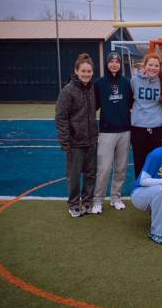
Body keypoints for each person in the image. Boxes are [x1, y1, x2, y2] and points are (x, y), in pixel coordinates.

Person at [55, 53, 98, 217]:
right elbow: (61, 117)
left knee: (91, 173)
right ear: (76, 71)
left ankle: (87, 202)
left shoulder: (92, 88)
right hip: (75, 142)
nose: (86, 74)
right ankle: (73, 204)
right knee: (74, 176)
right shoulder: (68, 90)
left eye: (89, 71)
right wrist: (66, 141)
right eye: (83, 71)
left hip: (92, 140)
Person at [91, 51, 133, 214]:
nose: (114, 64)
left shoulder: (126, 83)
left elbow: (131, 104)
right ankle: (98, 201)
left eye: (117, 61)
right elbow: (94, 106)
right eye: (111, 61)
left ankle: (115, 198)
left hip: (124, 131)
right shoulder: (99, 83)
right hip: (106, 132)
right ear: (107, 64)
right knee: (104, 169)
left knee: (121, 168)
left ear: (120, 64)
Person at [130, 52, 162, 179]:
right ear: (145, 66)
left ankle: (156, 192)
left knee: (157, 162)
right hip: (138, 127)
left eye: (156, 66)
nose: (153, 68)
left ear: (160, 67)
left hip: (158, 127)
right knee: (139, 162)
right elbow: (130, 100)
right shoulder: (134, 80)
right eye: (150, 65)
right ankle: (140, 192)